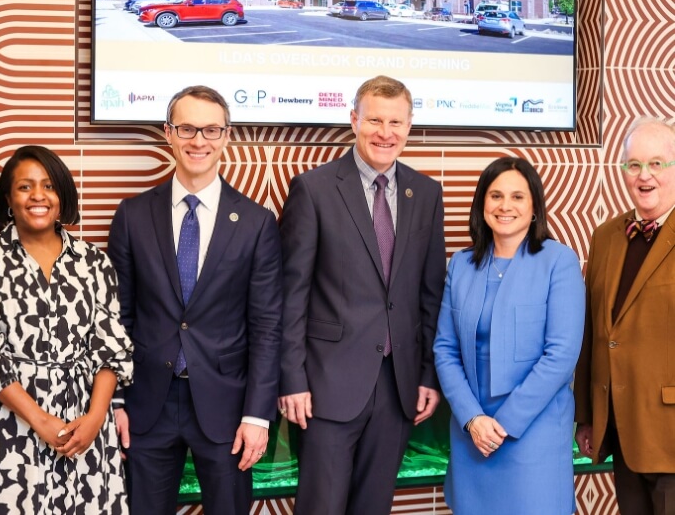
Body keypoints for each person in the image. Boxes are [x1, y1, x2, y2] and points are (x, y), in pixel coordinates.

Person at [107, 85, 282, 514]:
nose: (198, 140)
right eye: (186, 128)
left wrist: (257, 416)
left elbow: (266, 327)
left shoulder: (257, 223)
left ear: (226, 136)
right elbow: (116, 317)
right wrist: (114, 400)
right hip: (147, 405)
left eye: (210, 130)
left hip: (227, 407)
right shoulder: (132, 216)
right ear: (169, 133)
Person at [278, 75, 446, 514]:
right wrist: (292, 379)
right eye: (374, 120)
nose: (385, 133)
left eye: (396, 122)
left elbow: (431, 293)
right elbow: (291, 294)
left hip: (397, 387)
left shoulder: (426, 193)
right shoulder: (313, 190)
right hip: (326, 386)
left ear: (410, 126)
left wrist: (427, 374)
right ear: (354, 120)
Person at [0, 146, 133, 514]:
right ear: (8, 199)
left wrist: (96, 418)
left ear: (62, 196)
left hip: (84, 425)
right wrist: (42, 421)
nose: (38, 196)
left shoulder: (94, 262)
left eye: (48, 186)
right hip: (6, 425)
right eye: (25, 187)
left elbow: (111, 347)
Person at [433, 157, 585, 514]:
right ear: (481, 204)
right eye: (496, 195)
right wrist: (473, 419)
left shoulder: (559, 261)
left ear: (534, 207)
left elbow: (561, 355)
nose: (505, 206)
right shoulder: (461, 264)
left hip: (534, 433)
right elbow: (445, 349)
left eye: (518, 196)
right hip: (472, 433)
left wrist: (503, 425)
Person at [575, 117, 675, 514]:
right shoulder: (605, 236)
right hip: (620, 430)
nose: (643, 175)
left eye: (657, 164)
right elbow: (593, 332)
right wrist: (587, 416)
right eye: (633, 165)